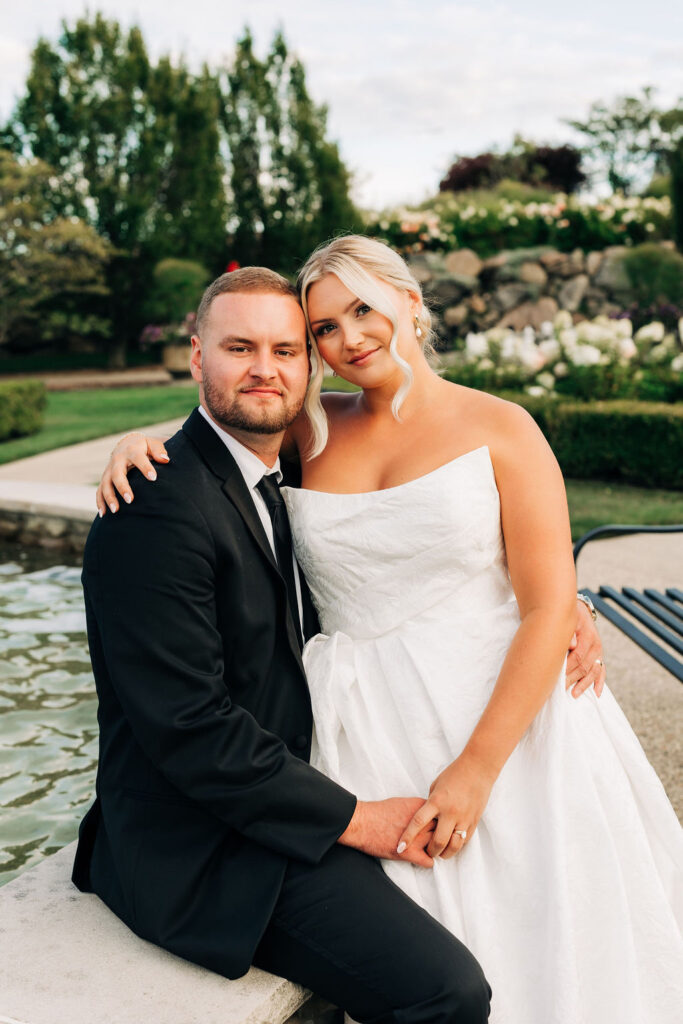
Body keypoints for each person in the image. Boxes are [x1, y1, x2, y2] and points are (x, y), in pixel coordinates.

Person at [98, 238, 682, 1023]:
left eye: (362, 310)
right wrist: (140, 445)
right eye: (327, 328)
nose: (348, 339)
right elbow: (228, 433)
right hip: (366, 726)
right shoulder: (312, 432)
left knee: (554, 923)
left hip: (499, 719)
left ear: (411, 302)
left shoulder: (504, 426)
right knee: (424, 949)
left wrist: (478, 764)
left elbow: (543, 599)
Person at [73, 267, 493, 1024]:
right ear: (197, 356)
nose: (265, 368)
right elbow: (190, 729)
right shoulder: (153, 509)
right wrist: (358, 820)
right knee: (446, 990)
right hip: (206, 843)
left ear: (309, 367)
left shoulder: (288, 467)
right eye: (239, 347)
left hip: (292, 782)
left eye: (286, 349)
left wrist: (564, 605)